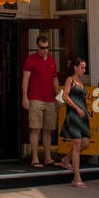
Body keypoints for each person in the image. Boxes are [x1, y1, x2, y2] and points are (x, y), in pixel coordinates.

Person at [22, 34, 60, 167]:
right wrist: (25, 97)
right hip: (36, 97)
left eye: (47, 47)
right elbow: (25, 79)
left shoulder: (51, 60)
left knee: (48, 130)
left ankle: (48, 157)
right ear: (37, 47)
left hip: (50, 98)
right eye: (42, 47)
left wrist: (58, 96)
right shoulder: (31, 60)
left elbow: (55, 79)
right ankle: (35, 158)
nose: (45, 50)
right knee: (35, 128)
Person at [60, 57, 90, 188]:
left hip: (83, 117)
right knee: (77, 145)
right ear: (75, 67)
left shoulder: (82, 83)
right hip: (73, 115)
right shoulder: (70, 80)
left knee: (85, 143)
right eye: (82, 67)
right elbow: (65, 96)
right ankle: (77, 178)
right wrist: (77, 108)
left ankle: (66, 159)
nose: (84, 70)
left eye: (84, 67)